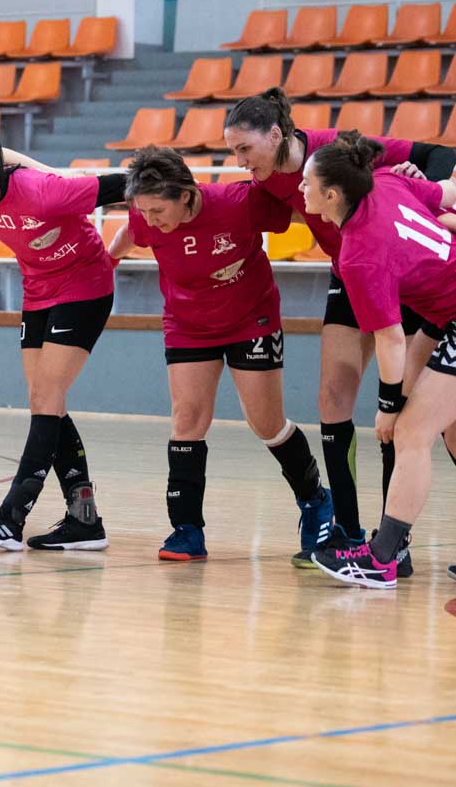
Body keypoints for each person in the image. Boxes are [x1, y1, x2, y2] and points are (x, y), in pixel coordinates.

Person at [225, 88, 456, 566]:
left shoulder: (348, 161)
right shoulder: (297, 187)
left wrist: (437, 189)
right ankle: (360, 534)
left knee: (426, 422)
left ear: (276, 135)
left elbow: (443, 174)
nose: (239, 162)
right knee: (364, 405)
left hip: (425, 284)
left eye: (244, 149)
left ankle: (402, 549)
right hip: (400, 283)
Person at [302, 132, 456, 588]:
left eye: (307, 183)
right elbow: (451, 198)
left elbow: (391, 339)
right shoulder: (389, 181)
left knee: (412, 433)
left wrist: (389, 407)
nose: (300, 189)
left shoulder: (358, 255)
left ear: (332, 194)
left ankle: (381, 558)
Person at [110, 145, 333, 563]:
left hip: (252, 318)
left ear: (186, 194)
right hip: (188, 324)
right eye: (143, 210)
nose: (150, 219)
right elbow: (129, 236)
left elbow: (304, 214)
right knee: (187, 420)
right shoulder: (145, 218)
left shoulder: (239, 202)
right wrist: (107, 262)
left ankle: (316, 499)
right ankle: (187, 530)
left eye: (158, 210)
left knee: (266, 423)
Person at [0, 122, 125, 550]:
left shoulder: (42, 190)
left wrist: (191, 198)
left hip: (85, 285)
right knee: (46, 402)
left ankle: (12, 516)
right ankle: (84, 520)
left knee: (45, 398)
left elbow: (125, 184)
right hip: (38, 290)